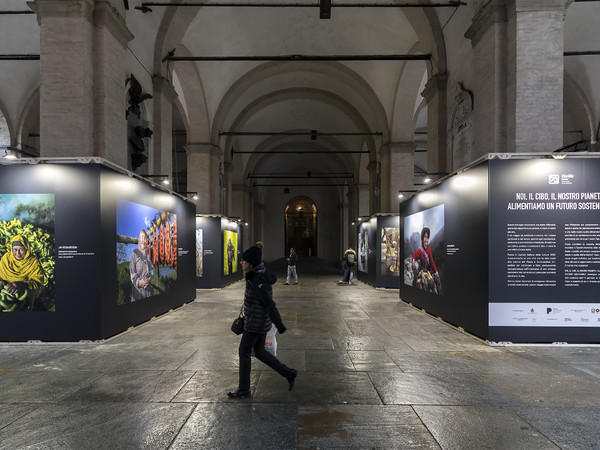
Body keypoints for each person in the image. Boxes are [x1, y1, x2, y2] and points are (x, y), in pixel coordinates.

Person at [228, 245, 297, 399]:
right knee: (259, 352)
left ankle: (244, 389)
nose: (241, 263)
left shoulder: (258, 279)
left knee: (243, 352)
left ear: (250, 262)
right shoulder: (256, 275)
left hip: (255, 324)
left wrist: (279, 324)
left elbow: (269, 304)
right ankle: (288, 373)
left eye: (243, 261)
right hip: (257, 321)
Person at [0, 235, 45, 311]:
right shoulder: (6, 258)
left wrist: (23, 284)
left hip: (25, 290)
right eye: (14, 250)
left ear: (27, 249)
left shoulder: (34, 262)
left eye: (21, 249)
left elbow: (38, 283)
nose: (18, 253)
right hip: (5, 287)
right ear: (11, 249)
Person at [412, 227, 440, 293]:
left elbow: (431, 260)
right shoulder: (420, 251)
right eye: (425, 237)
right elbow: (414, 255)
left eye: (427, 237)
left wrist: (436, 271)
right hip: (422, 270)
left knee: (437, 280)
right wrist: (413, 262)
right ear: (422, 238)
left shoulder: (428, 249)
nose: (426, 239)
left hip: (429, 271)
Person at [130, 229, 154, 301]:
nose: (143, 239)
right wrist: (139, 282)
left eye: (145, 238)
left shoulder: (148, 254)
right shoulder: (135, 253)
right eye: (141, 237)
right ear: (139, 239)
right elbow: (132, 272)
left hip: (148, 291)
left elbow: (151, 270)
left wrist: (149, 279)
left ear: (146, 241)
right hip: (138, 292)